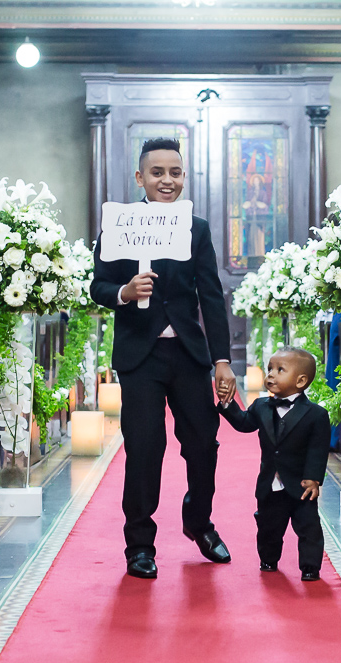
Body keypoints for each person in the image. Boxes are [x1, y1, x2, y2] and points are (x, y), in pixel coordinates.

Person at [90, 138, 237, 580]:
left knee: (202, 446)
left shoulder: (198, 228)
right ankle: (139, 544)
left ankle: (199, 520)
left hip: (189, 354)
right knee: (144, 450)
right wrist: (123, 292)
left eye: (175, 173)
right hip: (141, 355)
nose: (167, 180)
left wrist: (222, 360)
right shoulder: (118, 225)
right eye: (157, 173)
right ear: (140, 178)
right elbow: (97, 285)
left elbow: (212, 295)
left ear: (183, 178)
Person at [218, 347, 332, 581]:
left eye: (280, 370)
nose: (271, 374)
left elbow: (317, 450)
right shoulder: (261, 406)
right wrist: (227, 404)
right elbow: (244, 423)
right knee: (269, 527)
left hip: (301, 486)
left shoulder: (316, 415)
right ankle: (268, 559)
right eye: (270, 368)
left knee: (309, 528)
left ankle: (310, 567)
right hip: (270, 485)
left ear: (301, 381)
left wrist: (314, 478)